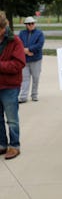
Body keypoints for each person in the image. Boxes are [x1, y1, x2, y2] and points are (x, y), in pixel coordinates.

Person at [0, 11, 26, 159]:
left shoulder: (15, 41)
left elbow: (18, 64)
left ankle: (14, 146)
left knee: (12, 119)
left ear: (3, 28)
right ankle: (2, 144)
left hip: (10, 87)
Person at [18, 16, 45, 103]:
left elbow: (40, 44)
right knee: (25, 78)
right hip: (25, 60)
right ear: (26, 25)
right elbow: (19, 44)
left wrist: (29, 49)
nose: (31, 25)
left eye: (32, 23)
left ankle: (34, 95)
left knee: (35, 78)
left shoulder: (39, 33)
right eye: (29, 24)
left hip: (36, 59)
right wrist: (26, 51)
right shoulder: (22, 33)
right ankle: (23, 97)